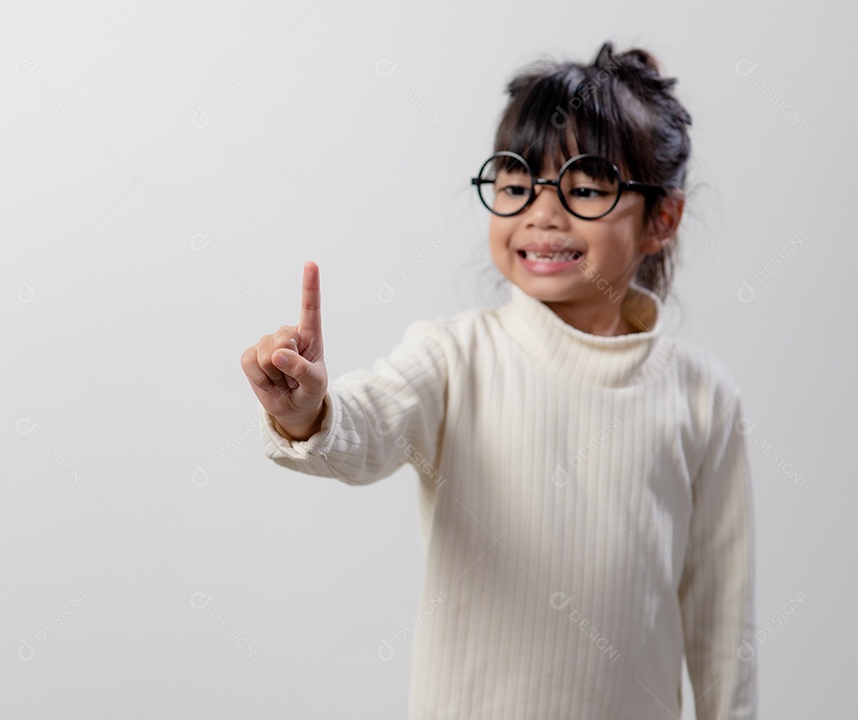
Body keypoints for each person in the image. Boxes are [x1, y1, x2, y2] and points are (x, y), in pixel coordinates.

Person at [239, 41, 756, 720]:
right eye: (516, 184)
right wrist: (308, 411)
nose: (542, 212)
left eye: (586, 188)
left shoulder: (702, 397)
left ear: (661, 219)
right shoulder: (456, 358)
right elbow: (363, 427)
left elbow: (723, 625)